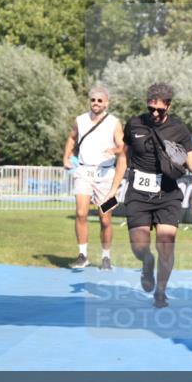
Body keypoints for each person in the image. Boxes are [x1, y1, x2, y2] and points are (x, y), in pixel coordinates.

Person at [107, 83, 192, 308]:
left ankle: (161, 292)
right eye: (151, 108)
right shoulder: (134, 123)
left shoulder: (180, 130)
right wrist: (113, 191)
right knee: (139, 245)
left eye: (160, 110)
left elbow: (191, 163)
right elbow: (123, 158)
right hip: (138, 193)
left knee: (166, 241)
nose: (155, 114)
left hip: (168, 192)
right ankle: (147, 262)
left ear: (169, 107)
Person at [62, 86, 123, 271]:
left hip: (106, 176)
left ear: (106, 103)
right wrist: (66, 156)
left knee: (105, 219)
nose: (96, 103)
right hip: (84, 172)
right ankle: (83, 255)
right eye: (93, 100)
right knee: (81, 213)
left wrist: (113, 150)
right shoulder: (80, 120)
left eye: (100, 100)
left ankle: (106, 256)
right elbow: (72, 138)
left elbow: (122, 146)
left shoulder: (114, 122)